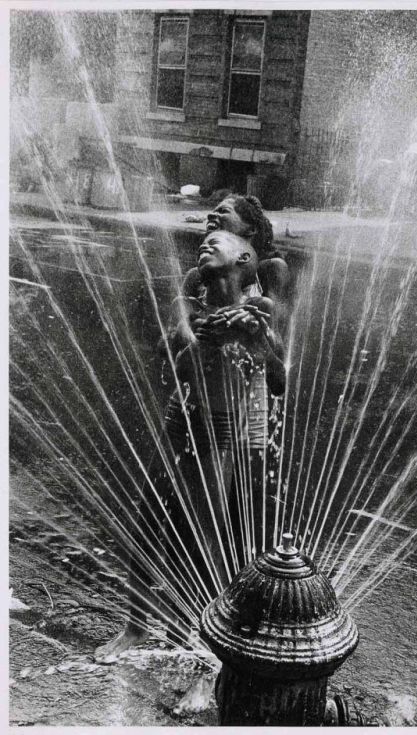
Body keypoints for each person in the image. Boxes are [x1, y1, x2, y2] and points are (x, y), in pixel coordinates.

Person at [95, 230, 286, 663]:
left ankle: (205, 653)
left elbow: (278, 382)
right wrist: (198, 337)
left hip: (220, 431)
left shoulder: (258, 308)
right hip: (179, 419)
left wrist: (257, 339)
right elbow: (174, 362)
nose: (205, 241)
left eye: (216, 239)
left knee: (206, 539)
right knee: (147, 518)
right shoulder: (197, 301)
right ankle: (135, 626)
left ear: (244, 257)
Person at [181, 195, 289, 333]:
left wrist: (253, 318)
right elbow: (171, 336)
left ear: (251, 229)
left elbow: (278, 323)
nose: (210, 215)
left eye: (223, 211)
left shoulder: (271, 269)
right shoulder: (196, 275)